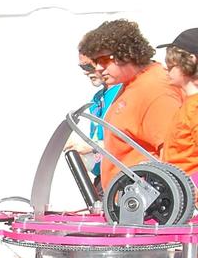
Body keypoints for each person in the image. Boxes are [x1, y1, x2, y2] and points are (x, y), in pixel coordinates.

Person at [78, 19, 182, 181]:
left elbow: (173, 157)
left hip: (148, 199)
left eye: (104, 60)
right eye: (96, 62)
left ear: (126, 53)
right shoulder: (130, 85)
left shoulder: (155, 88)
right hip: (128, 198)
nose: (98, 68)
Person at [65, 53, 122, 184]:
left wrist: (90, 146)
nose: (85, 72)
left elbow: (131, 140)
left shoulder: (124, 92)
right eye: (82, 67)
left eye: (88, 66)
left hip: (124, 178)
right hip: (103, 179)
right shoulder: (97, 98)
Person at [159, 28, 198, 176]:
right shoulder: (189, 103)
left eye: (170, 64)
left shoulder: (195, 107)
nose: (164, 67)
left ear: (191, 60)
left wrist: (191, 188)